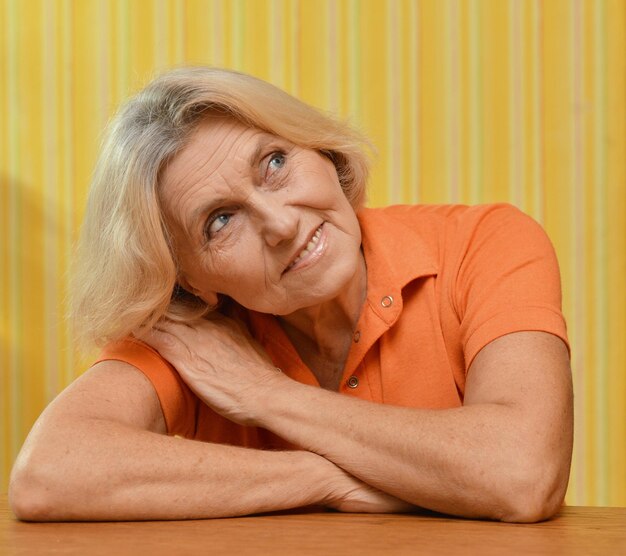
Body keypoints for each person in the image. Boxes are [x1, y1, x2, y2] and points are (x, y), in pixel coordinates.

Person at [9, 67, 573, 523]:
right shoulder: (195, 332)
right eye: (220, 221)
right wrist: (323, 479)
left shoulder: (486, 241)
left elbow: (522, 473)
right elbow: (49, 473)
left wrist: (265, 393)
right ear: (190, 282)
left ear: (322, 152)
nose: (279, 224)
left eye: (274, 163)